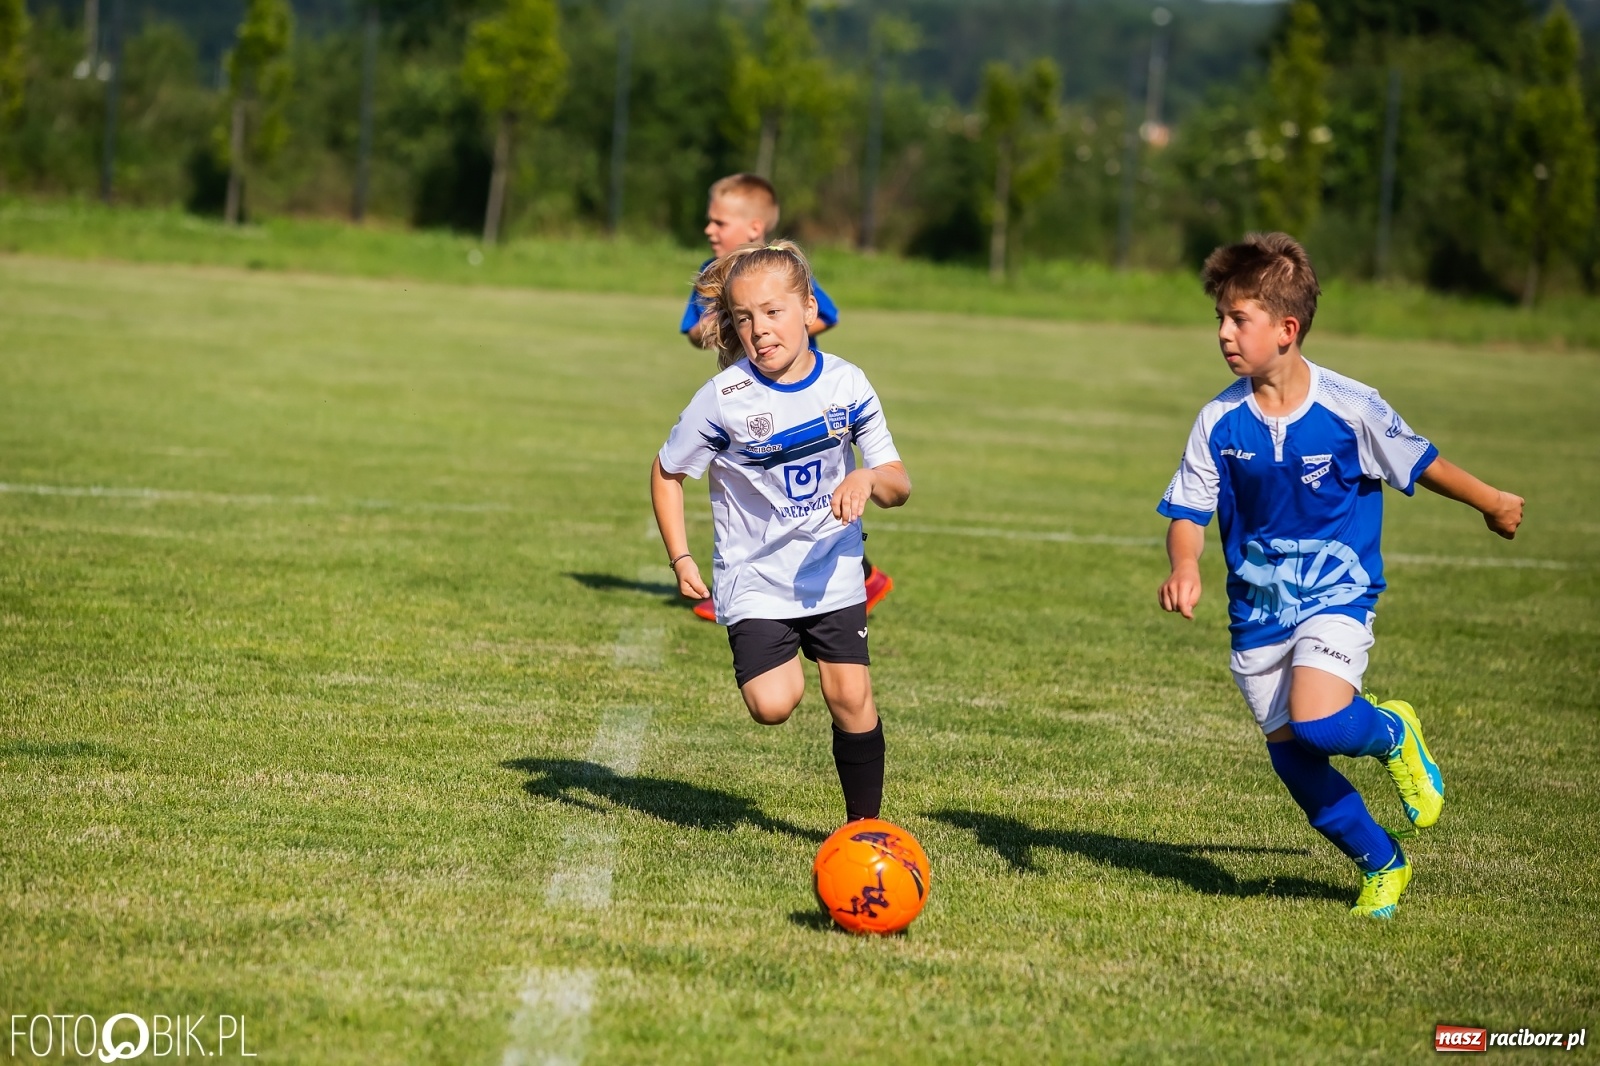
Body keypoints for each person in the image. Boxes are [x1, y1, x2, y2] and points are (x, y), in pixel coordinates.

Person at [1155, 232, 1524, 919]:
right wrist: (1185, 566)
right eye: (1221, 320)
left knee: (1319, 722)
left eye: (1240, 319)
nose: (1225, 334)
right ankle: (1382, 865)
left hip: (1336, 593)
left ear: (1287, 329)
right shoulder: (1218, 419)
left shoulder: (1350, 406)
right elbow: (1188, 507)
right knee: (1295, 763)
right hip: (1257, 609)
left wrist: (1493, 501)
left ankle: (1392, 733)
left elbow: (1421, 462)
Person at [651, 240, 912, 824]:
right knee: (773, 704)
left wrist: (868, 478)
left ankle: (863, 830)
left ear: (809, 310)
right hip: (754, 576)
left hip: (832, 567)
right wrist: (681, 559)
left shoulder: (847, 384)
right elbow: (666, 472)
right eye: (744, 318)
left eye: (773, 312)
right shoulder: (723, 400)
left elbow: (899, 483)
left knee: (850, 696)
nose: (760, 329)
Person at [677, 173, 893, 621]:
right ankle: (747, 588)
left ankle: (856, 578)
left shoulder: (780, 268)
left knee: (804, 500)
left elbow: (826, 314)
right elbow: (694, 333)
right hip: (748, 394)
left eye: (719, 222)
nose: (709, 231)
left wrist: (777, 337)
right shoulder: (715, 274)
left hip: (799, 401)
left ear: (754, 228)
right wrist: (731, 332)